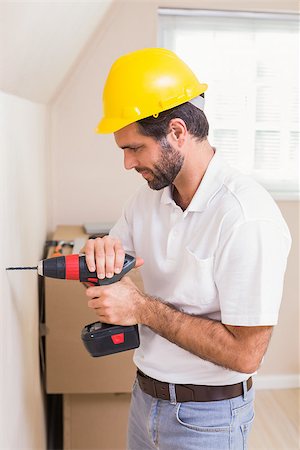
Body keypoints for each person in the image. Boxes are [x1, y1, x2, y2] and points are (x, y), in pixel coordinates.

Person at [84, 48, 291, 450]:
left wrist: (141, 307)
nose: (127, 164)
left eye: (135, 148)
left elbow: (247, 354)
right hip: (144, 400)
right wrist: (99, 257)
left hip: (208, 421)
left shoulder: (245, 217)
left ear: (177, 132)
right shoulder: (147, 199)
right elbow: (108, 272)